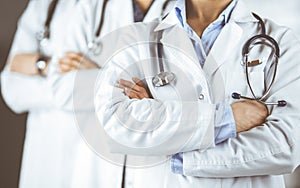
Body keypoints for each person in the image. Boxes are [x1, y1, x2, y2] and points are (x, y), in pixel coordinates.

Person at [95, 0, 300, 187]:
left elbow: (288, 146)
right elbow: (116, 124)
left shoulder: (280, 40)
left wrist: (178, 153)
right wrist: (227, 119)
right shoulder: (136, 38)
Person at [47, 0, 175, 187]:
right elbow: (62, 90)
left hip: (154, 168)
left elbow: (181, 99)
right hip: (97, 164)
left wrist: (98, 73)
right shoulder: (92, 6)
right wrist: (142, 87)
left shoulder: (185, 11)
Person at [0, 0, 79, 187]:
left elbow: (100, 87)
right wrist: (48, 65)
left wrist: (36, 66)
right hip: (42, 155)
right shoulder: (44, 5)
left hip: (89, 154)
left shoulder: (117, 8)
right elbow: (12, 88)